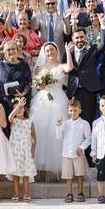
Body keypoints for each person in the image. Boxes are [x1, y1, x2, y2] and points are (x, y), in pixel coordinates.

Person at [30, 42, 73, 176]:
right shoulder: (40, 67)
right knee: (41, 130)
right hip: (43, 100)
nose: (50, 53)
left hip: (58, 99)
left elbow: (70, 68)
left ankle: (60, 165)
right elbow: (37, 87)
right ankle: (42, 164)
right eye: (47, 51)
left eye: (52, 50)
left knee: (56, 130)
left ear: (56, 51)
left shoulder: (61, 66)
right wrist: (42, 84)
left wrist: (67, 50)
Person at [56, 98, 91, 203]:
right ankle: (69, 194)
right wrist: (58, 125)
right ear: (67, 111)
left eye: (75, 110)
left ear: (80, 110)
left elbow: (88, 138)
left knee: (79, 174)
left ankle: (80, 193)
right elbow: (59, 136)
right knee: (68, 176)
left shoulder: (84, 123)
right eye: (70, 110)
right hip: (66, 153)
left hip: (78, 154)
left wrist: (82, 147)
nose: (73, 113)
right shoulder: (65, 124)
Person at [68, 28, 105, 126]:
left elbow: (103, 44)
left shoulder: (92, 49)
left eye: (82, 37)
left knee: (88, 120)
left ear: (86, 38)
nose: (79, 40)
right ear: (72, 39)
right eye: (77, 38)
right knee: (74, 121)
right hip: (73, 91)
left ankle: (88, 141)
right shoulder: (68, 53)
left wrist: (103, 25)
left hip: (88, 90)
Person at [8, 95, 37, 202]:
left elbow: (34, 138)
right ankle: (15, 193)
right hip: (15, 150)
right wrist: (18, 105)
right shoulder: (14, 121)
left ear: (25, 109)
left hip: (26, 150)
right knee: (16, 174)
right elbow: (10, 117)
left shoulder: (30, 121)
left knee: (26, 174)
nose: (19, 110)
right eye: (17, 108)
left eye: (21, 108)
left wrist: (33, 151)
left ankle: (26, 193)